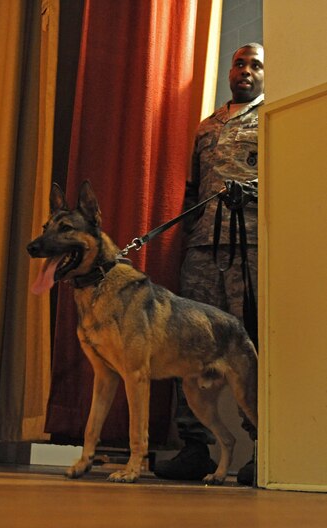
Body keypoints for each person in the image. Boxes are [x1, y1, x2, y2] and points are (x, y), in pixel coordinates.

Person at [154, 43, 264, 486]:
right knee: (186, 344)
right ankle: (194, 446)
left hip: (250, 246)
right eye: (239, 64)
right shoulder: (206, 126)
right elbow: (192, 189)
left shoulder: (273, 118)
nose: (245, 71)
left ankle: (262, 449)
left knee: (248, 348)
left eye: (255, 64)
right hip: (202, 250)